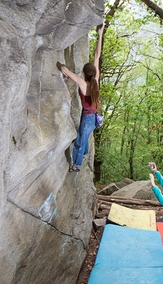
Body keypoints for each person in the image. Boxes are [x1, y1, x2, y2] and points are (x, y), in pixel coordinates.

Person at [57, 23, 104, 172]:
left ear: (84, 72)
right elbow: (97, 54)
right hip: (94, 116)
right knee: (85, 136)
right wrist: (100, 33)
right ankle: (84, 153)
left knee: (80, 139)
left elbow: (64, 68)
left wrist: (63, 70)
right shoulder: (95, 79)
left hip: (88, 117)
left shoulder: (83, 84)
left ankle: (76, 165)